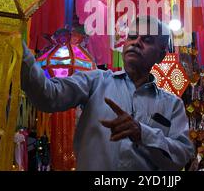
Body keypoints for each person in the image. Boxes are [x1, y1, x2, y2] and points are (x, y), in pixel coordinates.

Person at [21, 16, 194, 170]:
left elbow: (182, 156)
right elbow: (48, 96)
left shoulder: (173, 105)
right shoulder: (95, 82)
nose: (136, 42)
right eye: (132, 37)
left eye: (147, 40)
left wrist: (142, 133)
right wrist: (20, 51)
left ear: (161, 55)